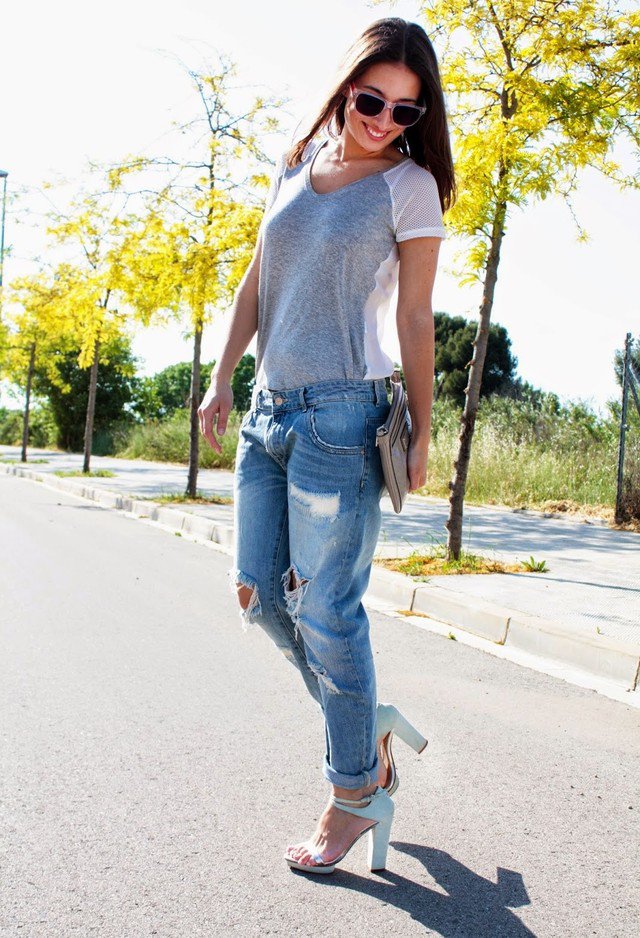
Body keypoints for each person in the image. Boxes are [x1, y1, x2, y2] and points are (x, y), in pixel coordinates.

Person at [198, 16, 456, 875]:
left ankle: (352, 795)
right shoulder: (296, 160)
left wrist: (419, 424)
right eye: (372, 100)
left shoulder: (409, 190)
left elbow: (416, 317)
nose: (384, 121)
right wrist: (222, 372)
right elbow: (256, 275)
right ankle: (368, 731)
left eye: (405, 112)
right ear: (347, 86)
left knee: (329, 614)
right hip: (269, 413)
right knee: (261, 597)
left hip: (345, 419)